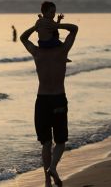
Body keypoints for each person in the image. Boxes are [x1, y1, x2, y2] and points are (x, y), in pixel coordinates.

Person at [20, 18, 78, 187]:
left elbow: (23, 38)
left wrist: (35, 27)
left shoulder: (37, 52)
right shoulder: (63, 51)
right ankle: (52, 168)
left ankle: (47, 182)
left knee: (46, 142)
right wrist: (56, 25)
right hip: (58, 97)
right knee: (60, 141)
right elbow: (74, 29)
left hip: (42, 100)